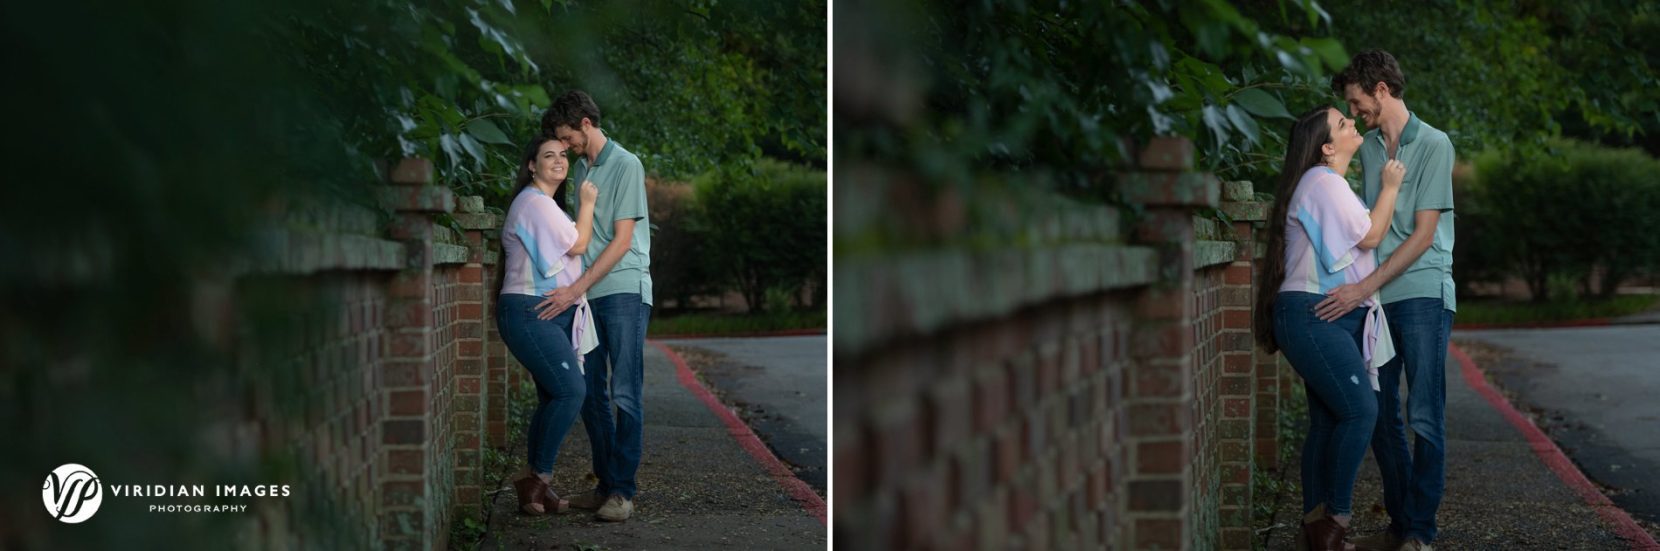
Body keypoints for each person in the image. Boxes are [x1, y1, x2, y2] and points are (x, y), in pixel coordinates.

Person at [1321, 50, 1457, 551]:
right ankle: (1403, 521)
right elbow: (1368, 226)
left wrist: (1364, 286)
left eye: (1357, 102)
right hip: (1377, 296)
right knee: (1378, 412)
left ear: (1381, 88)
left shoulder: (1435, 144)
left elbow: (1422, 236)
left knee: (1424, 413)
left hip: (1421, 291)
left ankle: (1420, 532)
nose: (1354, 114)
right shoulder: (1372, 147)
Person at [1254, 106, 1404, 550]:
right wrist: (1391, 187)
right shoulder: (1323, 182)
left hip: (1319, 315)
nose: (1352, 124)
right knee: (1360, 411)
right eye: (1343, 123)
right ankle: (1332, 524)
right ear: (1326, 147)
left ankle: (1314, 531)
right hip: (1314, 313)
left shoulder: (1326, 185)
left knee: (1327, 421)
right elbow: (1371, 236)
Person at [534, 90, 653, 522]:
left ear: (586, 122)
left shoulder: (626, 164)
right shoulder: (581, 168)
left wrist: (574, 288)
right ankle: (605, 484)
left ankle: (623, 492)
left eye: (568, 136)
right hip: (588, 294)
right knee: (590, 396)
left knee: (624, 392)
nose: (564, 146)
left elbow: (621, 242)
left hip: (623, 290)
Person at [496, 135, 599, 516]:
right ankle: (540, 478)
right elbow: (577, 245)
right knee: (572, 391)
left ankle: (531, 484)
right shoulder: (534, 204)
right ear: (531, 166)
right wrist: (587, 204)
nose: (558, 160)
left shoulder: (545, 205)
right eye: (547, 156)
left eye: (562, 155)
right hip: (529, 309)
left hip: (544, 311)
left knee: (552, 396)